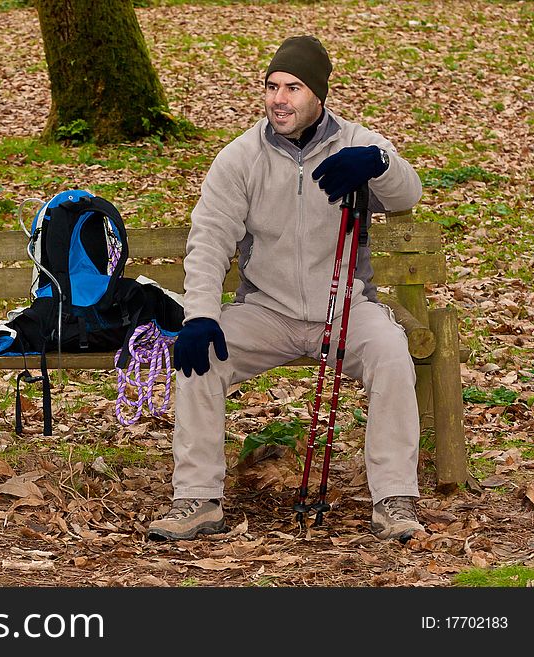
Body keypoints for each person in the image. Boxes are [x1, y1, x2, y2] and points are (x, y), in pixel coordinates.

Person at [148, 35, 426, 543]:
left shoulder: (357, 141)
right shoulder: (240, 157)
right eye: (272, 87)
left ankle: (395, 500)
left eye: (293, 87)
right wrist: (201, 316)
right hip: (266, 311)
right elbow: (209, 239)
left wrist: (378, 165)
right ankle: (197, 499)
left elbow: (409, 193)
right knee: (199, 360)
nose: (279, 98)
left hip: (345, 307)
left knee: (390, 352)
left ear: (318, 93)